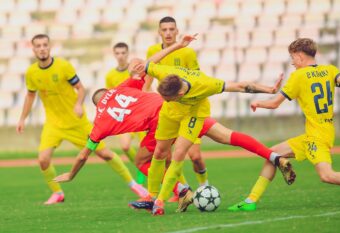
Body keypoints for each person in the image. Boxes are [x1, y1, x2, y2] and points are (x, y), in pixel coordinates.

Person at [54, 36, 295, 214]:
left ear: (97, 106)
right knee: (224, 136)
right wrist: (179, 45)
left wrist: (71, 174)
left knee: (149, 159)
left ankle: (172, 194)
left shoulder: (100, 121)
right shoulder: (123, 87)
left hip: (165, 117)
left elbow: (85, 154)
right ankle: (273, 157)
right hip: (184, 111)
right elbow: (147, 65)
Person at [128, 34, 295, 216]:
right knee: (160, 152)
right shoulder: (166, 74)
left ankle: (159, 202)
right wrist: (175, 46)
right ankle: (152, 197)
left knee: (179, 154)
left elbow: (240, 86)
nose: (165, 100)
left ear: (181, 93)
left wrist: (269, 90)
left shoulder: (205, 84)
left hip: (193, 116)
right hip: (170, 115)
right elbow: (144, 64)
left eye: (168, 98)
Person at [228, 38, 340, 212]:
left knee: (327, 175)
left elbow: (274, 104)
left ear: (300, 56)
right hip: (321, 132)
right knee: (272, 155)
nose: (292, 62)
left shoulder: (298, 76)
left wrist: (257, 103)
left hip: (316, 137)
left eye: (292, 58)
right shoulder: (329, 70)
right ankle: (250, 201)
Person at [16, 34, 148, 205]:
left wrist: (78, 104)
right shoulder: (31, 73)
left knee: (105, 154)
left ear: (49, 47)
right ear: (33, 49)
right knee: (43, 159)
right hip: (53, 124)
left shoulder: (63, 66)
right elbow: (30, 95)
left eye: (44, 45)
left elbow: (80, 88)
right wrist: (22, 118)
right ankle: (57, 193)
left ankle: (135, 186)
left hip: (77, 123)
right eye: (38, 46)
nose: (42, 48)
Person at [146, 16, 209, 197]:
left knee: (195, 156)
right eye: (164, 29)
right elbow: (147, 79)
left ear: (177, 31)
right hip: (167, 112)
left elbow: (198, 79)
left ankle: (205, 187)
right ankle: (183, 190)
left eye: (171, 29)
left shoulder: (187, 53)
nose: (168, 33)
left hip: (188, 111)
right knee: (164, 155)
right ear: (159, 32)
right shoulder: (152, 51)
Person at [105, 42, 146, 184]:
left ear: (128, 54)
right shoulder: (110, 75)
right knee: (125, 146)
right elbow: (111, 97)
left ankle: (143, 184)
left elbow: (146, 88)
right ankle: (141, 167)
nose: (121, 56)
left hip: (141, 115)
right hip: (125, 117)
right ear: (114, 55)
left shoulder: (135, 70)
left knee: (146, 150)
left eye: (123, 53)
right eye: (118, 53)